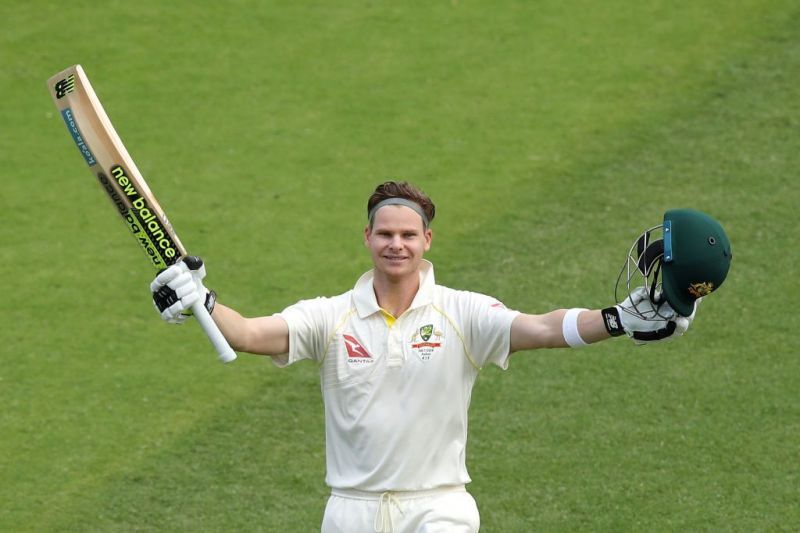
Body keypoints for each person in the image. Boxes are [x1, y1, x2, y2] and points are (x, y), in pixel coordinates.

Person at [150, 181, 700, 532]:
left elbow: (542, 328)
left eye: (408, 235)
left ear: (427, 240)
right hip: (350, 511)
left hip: (438, 509)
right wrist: (203, 301)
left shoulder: (462, 313)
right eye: (385, 233)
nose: (397, 245)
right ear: (367, 237)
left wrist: (617, 319)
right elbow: (247, 333)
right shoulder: (329, 316)